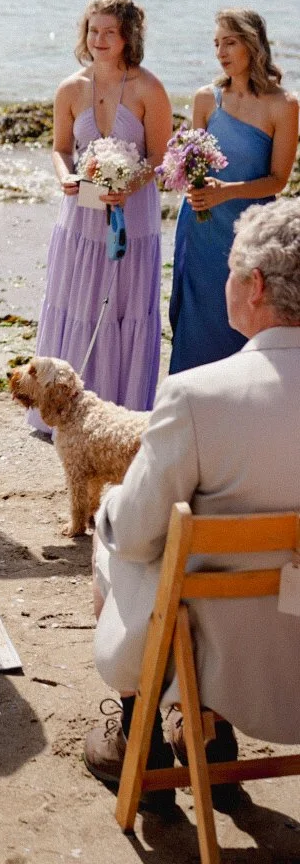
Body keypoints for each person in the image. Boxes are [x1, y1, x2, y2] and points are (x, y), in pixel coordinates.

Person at [84, 199, 300, 811]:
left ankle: (142, 733)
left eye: (231, 272)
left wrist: (110, 511)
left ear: (255, 286)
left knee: (118, 528)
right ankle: (207, 735)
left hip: (222, 655)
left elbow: (134, 535)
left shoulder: (196, 396)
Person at [30, 0, 171, 433]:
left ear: (129, 35)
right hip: (81, 217)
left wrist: (129, 184)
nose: (99, 40)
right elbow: (59, 149)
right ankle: (58, 412)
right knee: (77, 301)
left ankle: (118, 409)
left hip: (134, 217)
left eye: (110, 32)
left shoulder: (150, 88)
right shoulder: (71, 88)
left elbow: (159, 157)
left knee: (124, 307)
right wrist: (64, 178)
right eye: (93, 30)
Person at [168, 8, 298, 374]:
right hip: (201, 226)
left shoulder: (284, 105)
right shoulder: (206, 99)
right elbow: (193, 164)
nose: (221, 52)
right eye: (216, 44)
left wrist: (228, 191)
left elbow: (278, 180)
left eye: (230, 42)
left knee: (246, 319)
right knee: (194, 319)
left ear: (252, 45)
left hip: (250, 233)